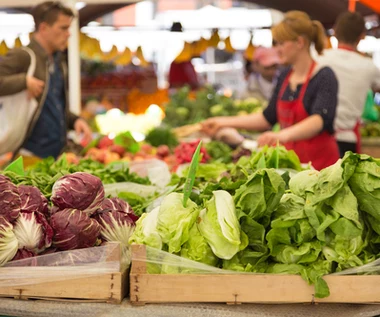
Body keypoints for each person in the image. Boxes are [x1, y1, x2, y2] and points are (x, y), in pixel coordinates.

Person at [202, 11, 340, 170]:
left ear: (300, 42)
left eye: (281, 43)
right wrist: (221, 122)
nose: (277, 49)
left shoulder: (324, 75)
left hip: (321, 167)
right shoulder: (284, 77)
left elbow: (319, 120)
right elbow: (268, 117)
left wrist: (280, 136)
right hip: (291, 166)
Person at [0, 1, 92, 160]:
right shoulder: (23, 57)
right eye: (63, 28)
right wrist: (23, 81)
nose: (69, 33)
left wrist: (75, 120)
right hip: (28, 156)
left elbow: (52, 105)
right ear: (43, 28)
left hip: (56, 156)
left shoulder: (58, 62)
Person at [317, 11, 380, 157]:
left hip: (317, 138)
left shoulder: (320, 59)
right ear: (361, 37)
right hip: (347, 141)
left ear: (335, 32)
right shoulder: (368, 66)